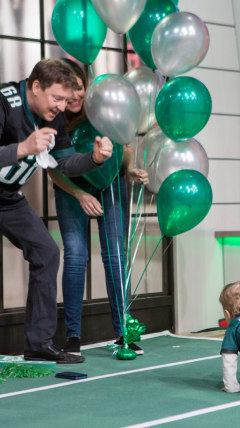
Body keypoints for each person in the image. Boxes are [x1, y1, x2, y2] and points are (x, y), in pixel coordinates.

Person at [0, 59, 113, 363]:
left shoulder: (55, 115)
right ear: (35, 87)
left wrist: (94, 158)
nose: (63, 107)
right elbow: (19, 150)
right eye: (57, 98)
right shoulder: (4, 101)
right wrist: (22, 148)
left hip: (7, 198)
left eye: (67, 100)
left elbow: (64, 163)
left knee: (47, 252)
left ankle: (38, 344)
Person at [49, 59, 149, 356]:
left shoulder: (102, 107)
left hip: (110, 184)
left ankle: (124, 333)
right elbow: (52, 168)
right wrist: (79, 194)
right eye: (69, 90)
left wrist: (130, 168)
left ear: (87, 85)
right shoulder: (55, 118)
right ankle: (73, 337)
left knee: (116, 256)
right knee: (76, 256)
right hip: (72, 188)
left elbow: (125, 148)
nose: (75, 96)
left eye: (79, 87)